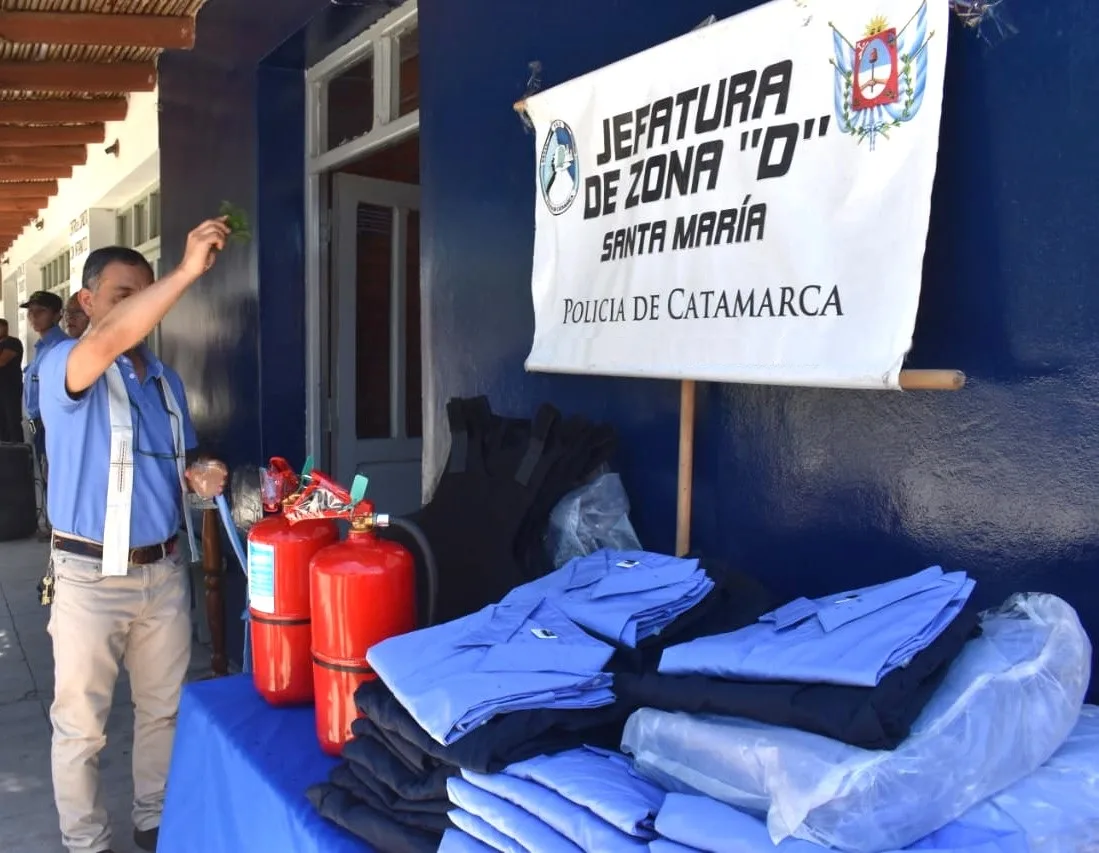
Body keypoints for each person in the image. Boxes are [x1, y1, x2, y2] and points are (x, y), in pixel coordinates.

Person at [39, 218, 231, 853]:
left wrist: (200, 472)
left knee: (164, 712)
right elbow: (111, 340)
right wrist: (183, 273)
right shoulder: (66, 364)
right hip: (90, 579)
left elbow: (173, 464)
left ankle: (154, 823)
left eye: (148, 294)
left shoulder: (165, 382)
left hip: (162, 573)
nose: (143, 309)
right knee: (81, 730)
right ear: (88, 301)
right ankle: (87, 842)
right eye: (125, 295)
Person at [21, 289, 67, 461]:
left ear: (57, 315)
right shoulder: (41, 346)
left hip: (51, 426)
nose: (33, 316)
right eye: (30, 312)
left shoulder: (61, 347)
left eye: (41, 311)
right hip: (35, 425)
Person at [0, 318, 24, 442]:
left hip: (11, 387)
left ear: (6, 328)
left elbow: (2, 361)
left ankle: (19, 451)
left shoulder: (13, 342)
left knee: (12, 420)